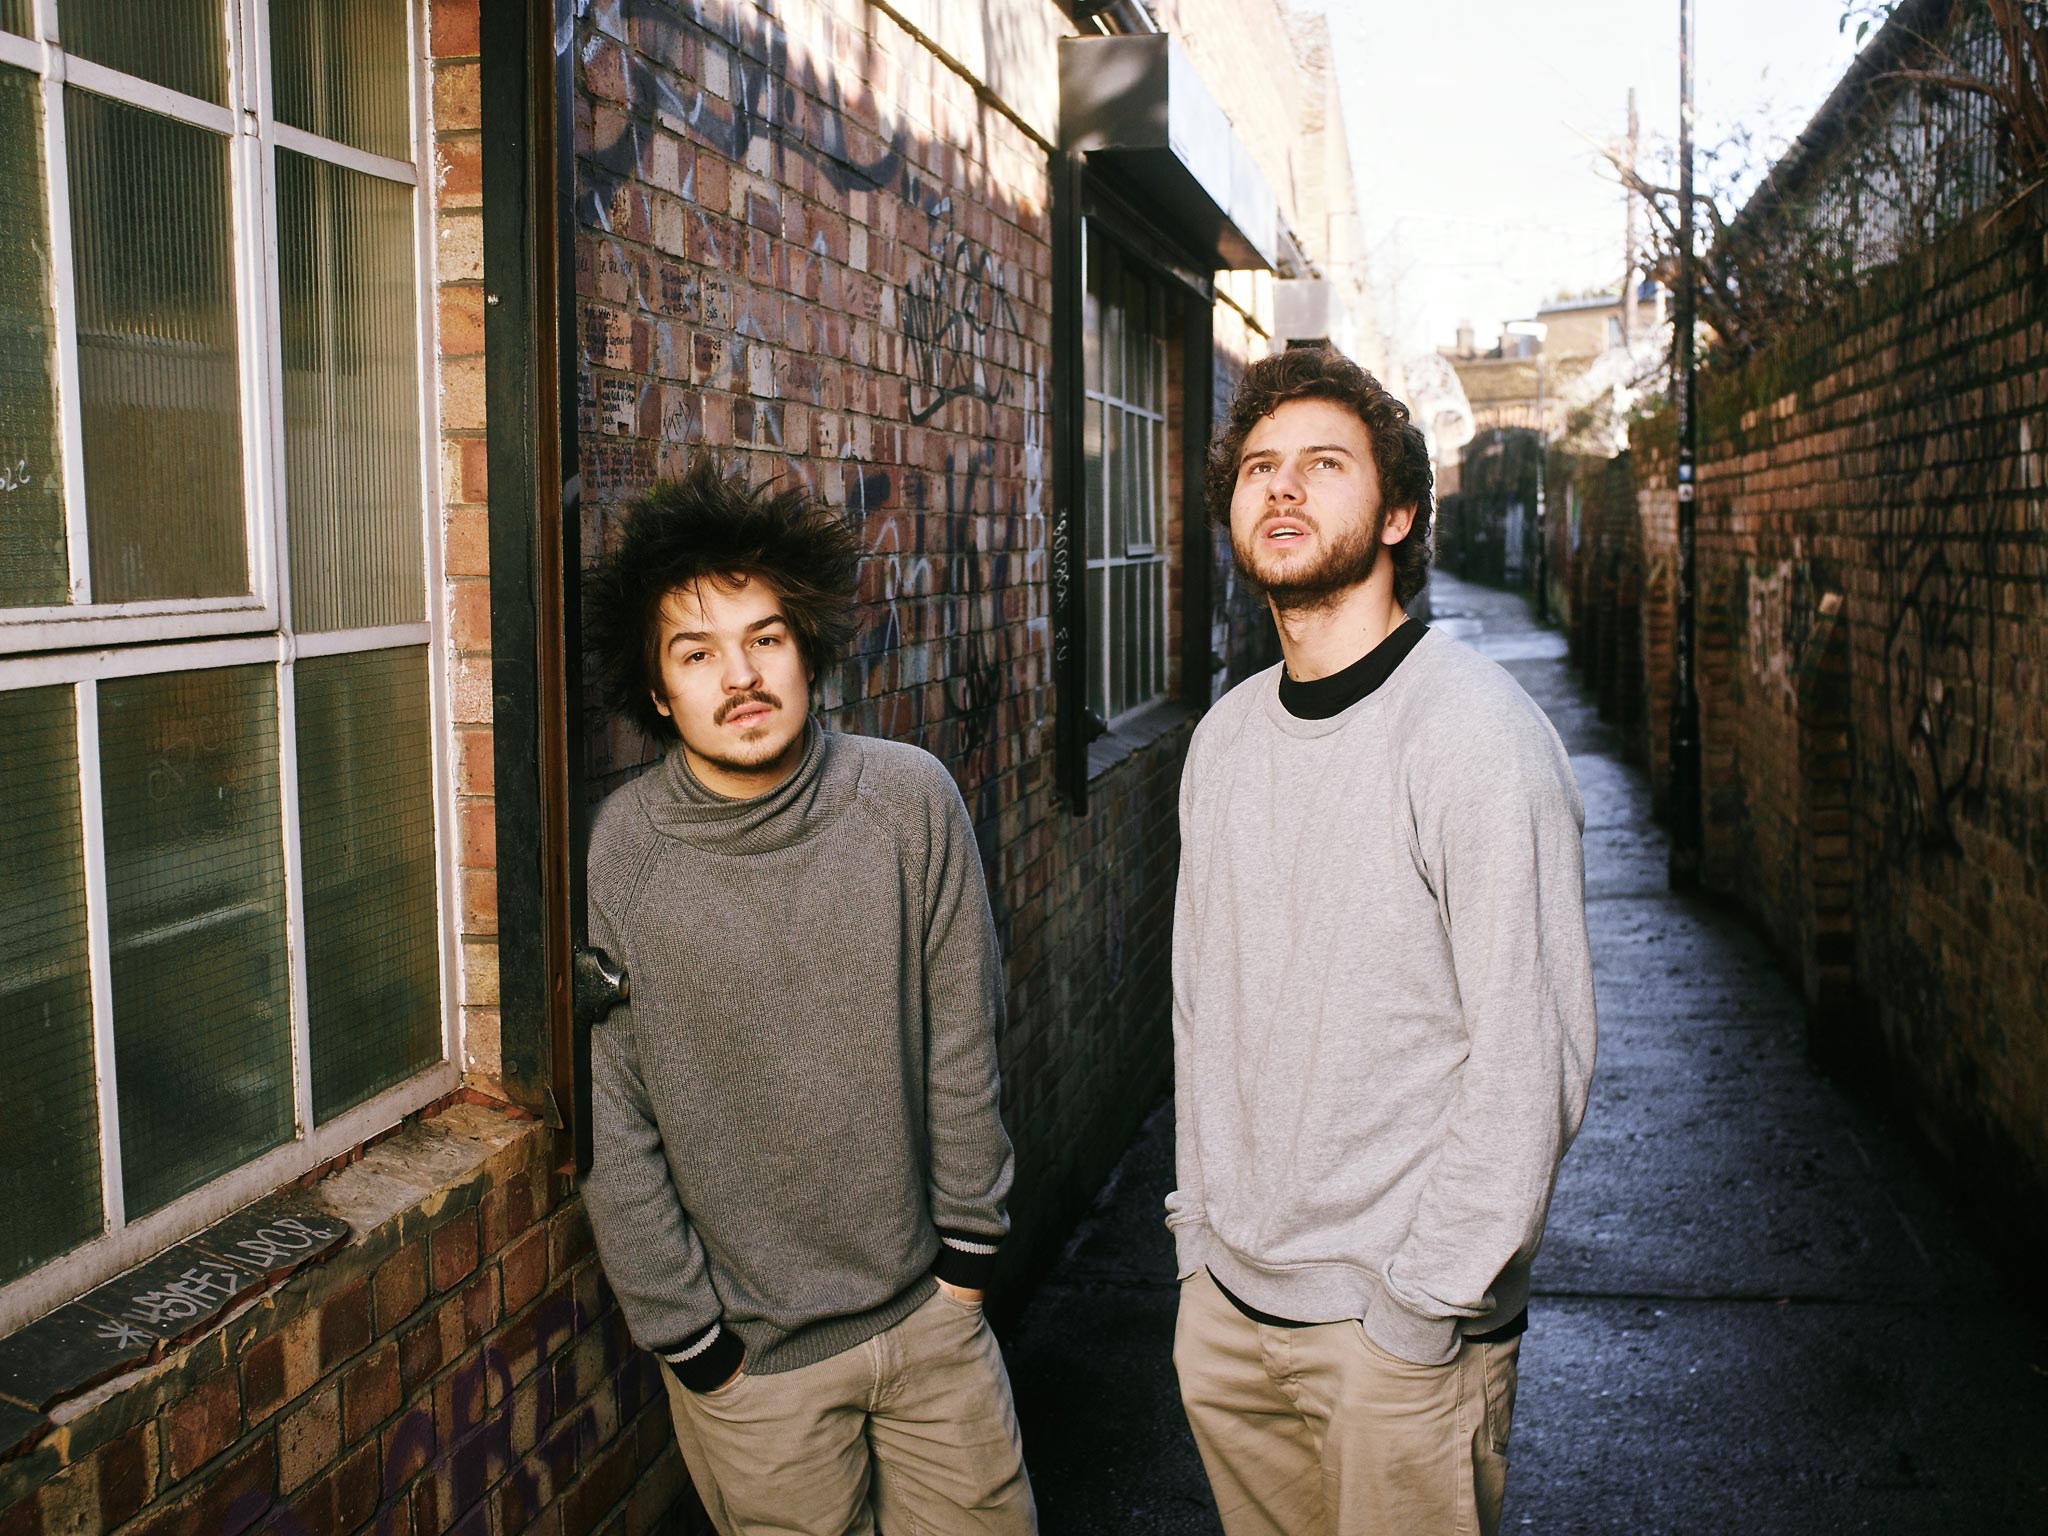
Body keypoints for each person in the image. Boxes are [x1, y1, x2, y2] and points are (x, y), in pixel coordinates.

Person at [1168, 347, 1597, 1536]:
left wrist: (1419, 1307)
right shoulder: (1223, 741)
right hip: (1231, 1319)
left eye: (1322, 464)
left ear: (1398, 510)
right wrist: (1197, 1250)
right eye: (1258, 467)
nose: (1282, 489)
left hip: (1399, 1344)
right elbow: (1202, 1011)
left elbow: (1532, 1057)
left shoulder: (1471, 737)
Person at [579, 458, 1037, 1536]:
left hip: (932, 1326)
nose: (738, 676)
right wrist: (694, 1346)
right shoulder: (626, 857)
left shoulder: (905, 802)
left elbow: (963, 1037)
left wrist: (965, 1266)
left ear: (807, 650)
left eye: (765, 639)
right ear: (658, 691)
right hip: (757, 1373)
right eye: (697, 653)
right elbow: (613, 1114)